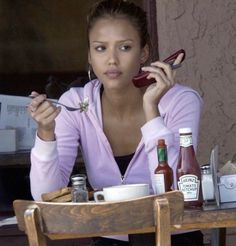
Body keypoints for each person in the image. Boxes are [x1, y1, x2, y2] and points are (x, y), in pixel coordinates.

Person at [28, 0, 203, 245]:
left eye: (124, 47)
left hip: (173, 237)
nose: (111, 59)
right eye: (100, 48)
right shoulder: (76, 104)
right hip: (110, 238)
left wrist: (151, 110)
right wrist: (46, 134)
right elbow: (45, 197)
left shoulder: (180, 101)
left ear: (144, 52)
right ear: (89, 55)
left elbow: (175, 191)